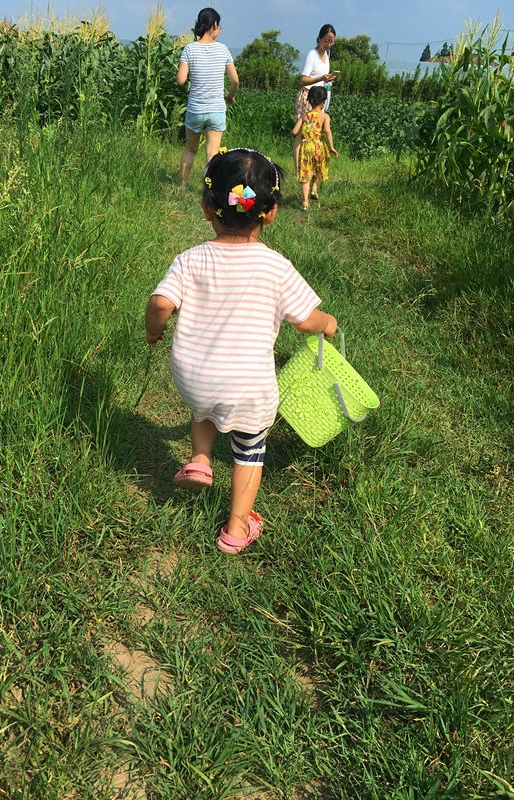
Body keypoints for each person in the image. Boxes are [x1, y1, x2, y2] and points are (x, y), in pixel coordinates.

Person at [145, 148, 338, 553]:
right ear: (270, 213)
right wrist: (328, 324)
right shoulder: (276, 267)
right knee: (250, 448)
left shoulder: (190, 259)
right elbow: (305, 319)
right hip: (249, 385)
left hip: (193, 377)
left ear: (206, 209)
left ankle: (200, 459)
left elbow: (161, 303)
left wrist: (154, 331)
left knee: (204, 408)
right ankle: (236, 527)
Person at [176, 8, 239, 187]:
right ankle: (210, 187)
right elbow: (235, 80)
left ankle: (182, 184)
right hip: (216, 109)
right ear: (215, 25)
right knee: (213, 153)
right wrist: (230, 96)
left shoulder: (189, 49)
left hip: (196, 108)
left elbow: (180, 80)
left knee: (190, 149)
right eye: (220, 25)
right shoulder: (223, 50)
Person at [293, 24, 337, 176]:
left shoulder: (327, 55)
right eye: (326, 40)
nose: (328, 44)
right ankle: (298, 169)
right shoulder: (312, 54)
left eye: (331, 41)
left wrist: (328, 79)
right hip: (308, 97)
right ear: (319, 39)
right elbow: (303, 80)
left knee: (316, 134)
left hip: (320, 99)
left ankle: (310, 168)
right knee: (301, 133)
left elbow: (322, 78)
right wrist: (321, 78)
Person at [292, 86, 338, 209]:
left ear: (310, 101)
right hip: (319, 146)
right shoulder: (325, 116)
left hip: (306, 148)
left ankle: (305, 202)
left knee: (305, 175)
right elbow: (327, 131)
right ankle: (314, 187)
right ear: (323, 102)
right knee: (319, 168)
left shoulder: (304, 115)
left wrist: (305, 131)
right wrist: (331, 147)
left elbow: (294, 131)